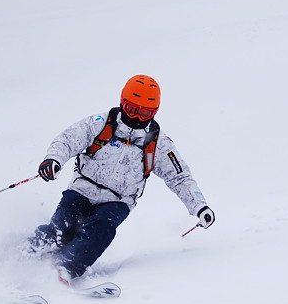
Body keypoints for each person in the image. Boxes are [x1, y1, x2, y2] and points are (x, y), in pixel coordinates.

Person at [26, 74, 215, 285]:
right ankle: (25, 254)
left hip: (117, 200)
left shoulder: (158, 143)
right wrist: (53, 160)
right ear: (122, 102)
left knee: (101, 228)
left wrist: (200, 207)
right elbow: (68, 140)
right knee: (62, 227)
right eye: (132, 109)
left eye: (145, 113)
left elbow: (179, 177)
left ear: (154, 112)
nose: (136, 117)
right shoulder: (99, 123)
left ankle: (65, 268)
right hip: (82, 189)